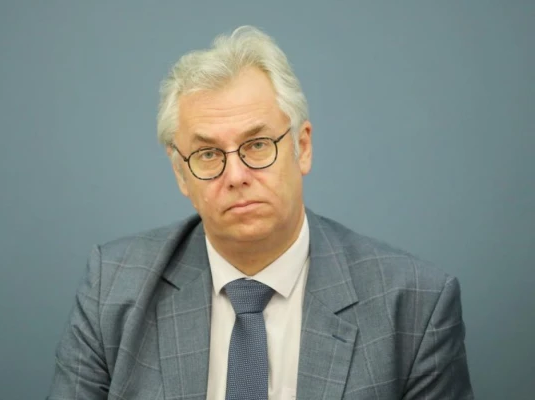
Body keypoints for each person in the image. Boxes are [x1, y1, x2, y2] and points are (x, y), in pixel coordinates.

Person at [47, 26, 473, 400]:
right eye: (208, 154)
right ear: (181, 174)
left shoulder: (414, 305)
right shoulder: (113, 289)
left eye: (256, 145)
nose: (236, 176)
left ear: (302, 147)